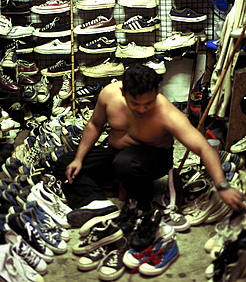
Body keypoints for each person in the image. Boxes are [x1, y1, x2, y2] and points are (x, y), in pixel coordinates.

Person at [55, 64, 246, 229]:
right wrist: (79, 159)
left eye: (148, 103)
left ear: (157, 91)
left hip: (153, 159)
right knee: (65, 163)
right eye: (135, 103)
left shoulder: (166, 113)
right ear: (123, 92)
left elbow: (203, 148)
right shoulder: (109, 95)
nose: (142, 109)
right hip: (115, 154)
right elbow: (94, 125)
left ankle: (142, 207)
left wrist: (222, 186)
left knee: (125, 162)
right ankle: (97, 203)